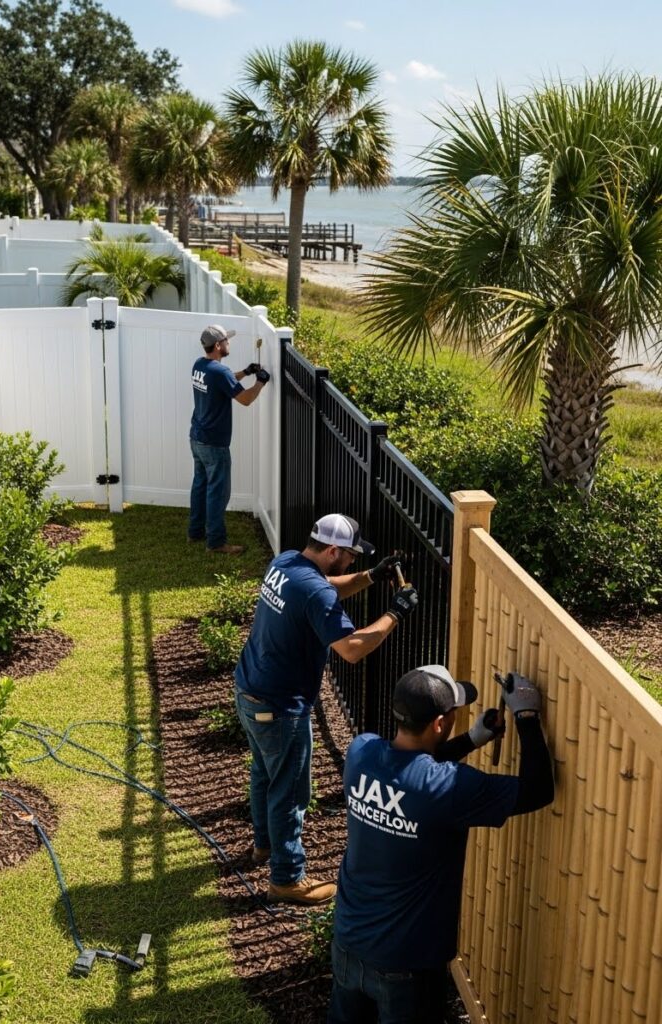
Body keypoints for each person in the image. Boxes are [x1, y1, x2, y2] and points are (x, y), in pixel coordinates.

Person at [328, 665, 555, 1024]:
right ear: (438, 724)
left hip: (348, 943)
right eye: (452, 714)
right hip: (407, 967)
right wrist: (526, 716)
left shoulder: (361, 753)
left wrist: (471, 739)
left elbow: (411, 772)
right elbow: (537, 790)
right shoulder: (450, 789)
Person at [234, 513, 419, 906]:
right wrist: (396, 613)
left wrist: (371, 576)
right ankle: (287, 879)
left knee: (265, 773)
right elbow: (351, 649)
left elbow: (324, 587)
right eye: (351, 555)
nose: (352, 560)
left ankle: (264, 846)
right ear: (333, 550)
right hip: (281, 706)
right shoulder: (314, 591)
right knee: (290, 792)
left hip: (250, 689)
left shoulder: (286, 562)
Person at [188, 323, 269, 554]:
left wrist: (245, 372)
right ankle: (215, 543)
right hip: (214, 443)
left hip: (197, 438)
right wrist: (261, 382)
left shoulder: (199, 365)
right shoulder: (219, 372)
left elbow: (223, 381)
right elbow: (245, 399)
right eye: (226, 340)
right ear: (217, 345)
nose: (229, 343)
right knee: (217, 493)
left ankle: (195, 532)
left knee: (200, 486)